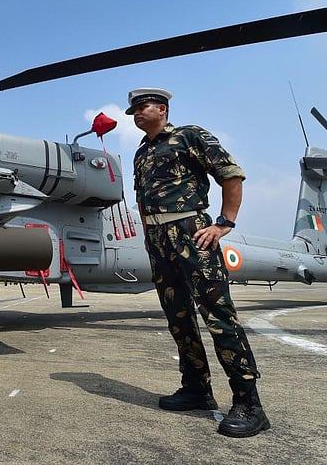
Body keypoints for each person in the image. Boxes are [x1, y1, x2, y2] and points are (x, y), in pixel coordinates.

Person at [127, 87, 269, 438]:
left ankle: (249, 402)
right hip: (158, 241)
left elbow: (230, 175)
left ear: (161, 109)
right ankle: (196, 388)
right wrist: (151, 238)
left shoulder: (189, 135)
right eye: (133, 111)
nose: (136, 114)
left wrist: (224, 223)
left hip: (191, 231)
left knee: (218, 316)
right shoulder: (142, 151)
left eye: (142, 107)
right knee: (179, 318)